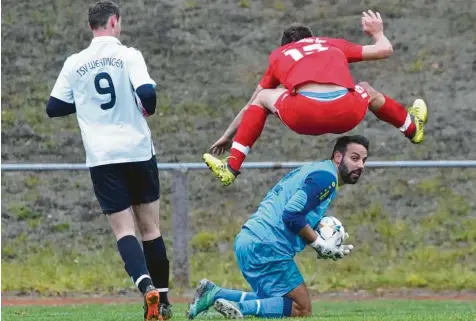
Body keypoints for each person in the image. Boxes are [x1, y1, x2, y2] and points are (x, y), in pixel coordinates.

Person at [46, 1, 172, 320]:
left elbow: (54, 107)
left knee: (123, 230)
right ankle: (165, 301)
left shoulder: (75, 63)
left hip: (102, 157)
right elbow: (148, 94)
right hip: (138, 150)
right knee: (151, 227)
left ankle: (146, 289)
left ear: (92, 26)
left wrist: (87, 102)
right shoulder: (129, 54)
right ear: (114, 22)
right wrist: (145, 109)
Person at [202, 10, 428, 186]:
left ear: (285, 46)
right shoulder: (330, 44)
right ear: (312, 38)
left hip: (304, 115)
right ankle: (411, 127)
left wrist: (227, 136)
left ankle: (231, 168)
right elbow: (385, 50)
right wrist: (377, 32)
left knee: (262, 96)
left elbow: (251, 104)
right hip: (345, 112)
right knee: (366, 89)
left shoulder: (281, 55)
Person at [188, 135, 369, 319]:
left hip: (251, 239)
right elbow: (291, 214)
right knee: (301, 308)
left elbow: (295, 214)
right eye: (354, 158)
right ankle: (239, 308)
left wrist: (322, 239)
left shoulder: (317, 171)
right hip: (268, 244)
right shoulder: (326, 178)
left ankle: (214, 294)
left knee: (274, 301)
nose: (360, 165)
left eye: (364, 160)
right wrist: (319, 243)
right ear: (338, 157)